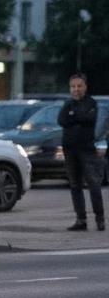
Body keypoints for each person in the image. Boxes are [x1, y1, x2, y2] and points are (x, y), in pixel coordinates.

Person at [58, 73, 105, 232]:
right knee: (75, 185)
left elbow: (88, 119)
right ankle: (81, 220)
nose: (76, 89)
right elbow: (62, 120)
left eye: (79, 86)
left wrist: (74, 117)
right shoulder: (67, 104)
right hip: (70, 150)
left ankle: (100, 219)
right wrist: (76, 117)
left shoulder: (91, 103)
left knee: (93, 184)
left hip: (87, 150)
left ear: (85, 87)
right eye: (73, 86)